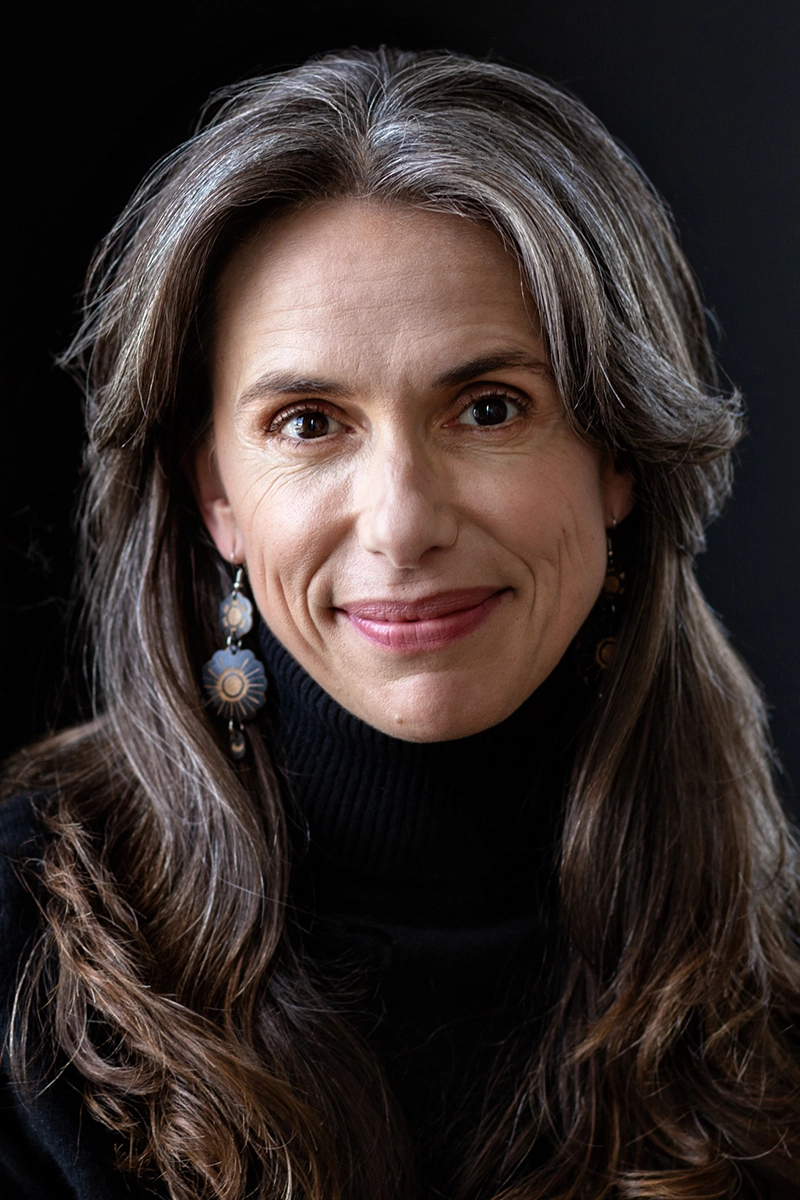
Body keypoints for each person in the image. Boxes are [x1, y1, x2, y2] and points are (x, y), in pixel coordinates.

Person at [1, 47, 799, 1200]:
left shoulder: (771, 984)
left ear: (617, 454)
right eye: (309, 422)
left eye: (487, 408)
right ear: (215, 494)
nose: (402, 522)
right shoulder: (19, 963)